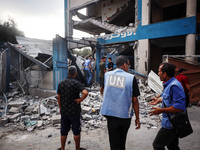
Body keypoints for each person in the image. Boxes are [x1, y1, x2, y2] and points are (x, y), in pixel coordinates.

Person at [100, 56, 140, 150]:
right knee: (122, 142)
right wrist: (137, 118)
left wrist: (108, 97)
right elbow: (135, 100)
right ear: (125, 65)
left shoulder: (107, 75)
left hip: (110, 114)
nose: (128, 67)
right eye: (128, 65)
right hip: (125, 115)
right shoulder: (131, 78)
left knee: (114, 144)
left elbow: (101, 90)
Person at [149, 63, 186, 150]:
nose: (158, 74)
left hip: (171, 125)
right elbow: (171, 99)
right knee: (172, 146)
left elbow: (180, 107)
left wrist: (160, 110)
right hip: (170, 122)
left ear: (165, 74)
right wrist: (159, 100)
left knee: (157, 145)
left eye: (159, 72)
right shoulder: (169, 84)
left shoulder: (174, 86)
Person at [57, 65, 88, 150]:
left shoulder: (61, 83)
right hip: (74, 111)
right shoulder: (76, 83)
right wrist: (80, 99)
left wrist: (60, 108)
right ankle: (77, 148)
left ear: (68, 73)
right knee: (76, 131)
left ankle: (62, 148)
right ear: (75, 74)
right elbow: (85, 93)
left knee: (63, 131)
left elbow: (58, 97)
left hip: (64, 111)